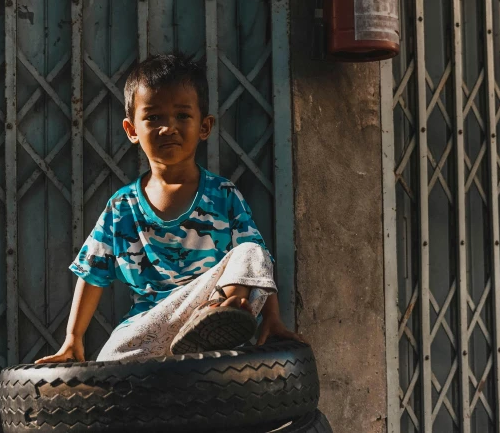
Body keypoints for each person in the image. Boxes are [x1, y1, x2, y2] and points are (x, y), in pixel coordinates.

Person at [36, 54, 302, 363]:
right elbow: (92, 274)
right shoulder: (122, 207)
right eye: (153, 117)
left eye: (182, 116)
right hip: (152, 324)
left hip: (207, 306)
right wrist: (72, 340)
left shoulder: (223, 195)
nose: (168, 128)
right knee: (108, 360)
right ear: (132, 130)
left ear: (204, 126)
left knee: (251, 252)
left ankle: (224, 316)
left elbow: (257, 263)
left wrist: (272, 319)